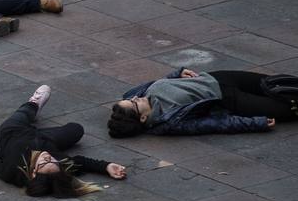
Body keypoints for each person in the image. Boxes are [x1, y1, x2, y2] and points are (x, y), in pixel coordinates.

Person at [0, 84, 127, 197]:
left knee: (22, 114)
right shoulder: (61, 165)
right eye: (52, 161)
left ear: (33, 173)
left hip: (12, 133)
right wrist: (107, 167)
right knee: (76, 130)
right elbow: (81, 162)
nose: (47, 157)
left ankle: (33, 103)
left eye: (43, 163)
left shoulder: (12, 172)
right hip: (44, 139)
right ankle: (34, 111)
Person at [108, 68, 297, 137]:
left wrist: (177, 74)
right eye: (133, 103)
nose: (134, 98)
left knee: (280, 83)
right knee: (289, 108)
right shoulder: (170, 121)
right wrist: (255, 123)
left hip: (219, 78)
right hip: (230, 100)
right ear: (142, 117)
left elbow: (163, 82)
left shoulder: (139, 94)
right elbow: (210, 124)